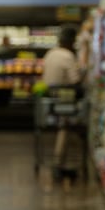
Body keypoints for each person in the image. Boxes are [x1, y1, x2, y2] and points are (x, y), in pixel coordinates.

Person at [41, 26, 85, 180]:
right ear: (70, 42)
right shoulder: (68, 56)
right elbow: (75, 80)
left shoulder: (50, 54)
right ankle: (59, 163)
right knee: (65, 128)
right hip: (64, 101)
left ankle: (59, 162)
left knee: (61, 128)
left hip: (49, 101)